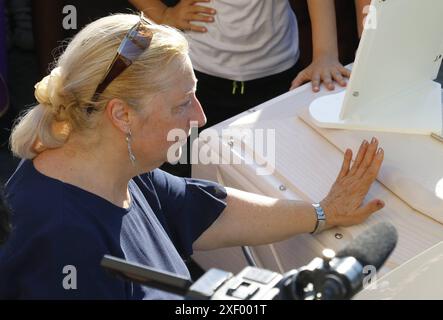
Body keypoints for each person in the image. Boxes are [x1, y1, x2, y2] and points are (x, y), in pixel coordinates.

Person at [0, 13, 384, 299]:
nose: (200, 117)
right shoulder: (61, 242)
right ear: (122, 114)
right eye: (183, 103)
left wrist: (322, 212)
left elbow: (207, 210)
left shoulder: (115, 167)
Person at [130, 0, 351, 129]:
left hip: (277, 73)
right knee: (192, 165)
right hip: (197, 74)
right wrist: (161, 13)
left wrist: (325, 54)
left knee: (267, 166)